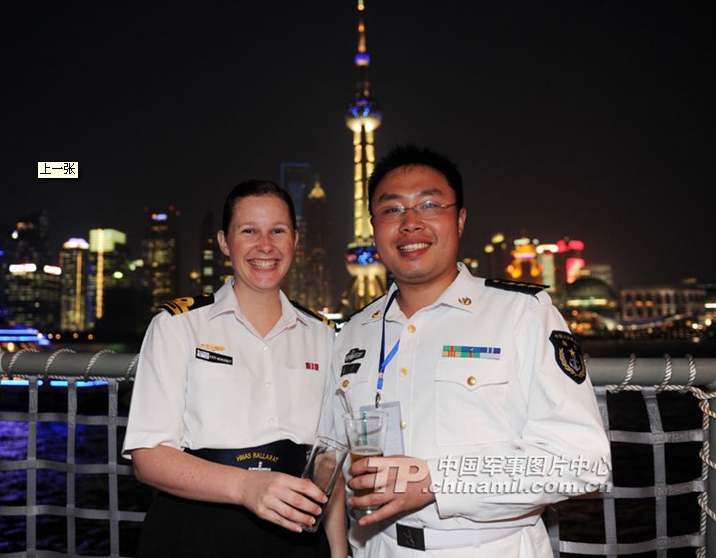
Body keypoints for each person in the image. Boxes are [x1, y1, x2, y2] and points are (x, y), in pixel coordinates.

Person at [322, 145, 611, 557]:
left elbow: (584, 462)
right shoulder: (354, 333)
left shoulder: (522, 314)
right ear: (374, 228)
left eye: (428, 205)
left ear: (459, 220)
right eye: (392, 209)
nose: (410, 222)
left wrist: (437, 482)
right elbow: (332, 458)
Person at [123, 180, 346, 558]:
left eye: (278, 231)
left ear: (295, 240)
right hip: (196, 528)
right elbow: (149, 458)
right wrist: (246, 487)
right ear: (224, 242)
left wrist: (338, 552)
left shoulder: (324, 337)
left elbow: (328, 462)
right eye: (249, 231)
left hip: (297, 531)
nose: (265, 245)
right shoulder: (179, 326)